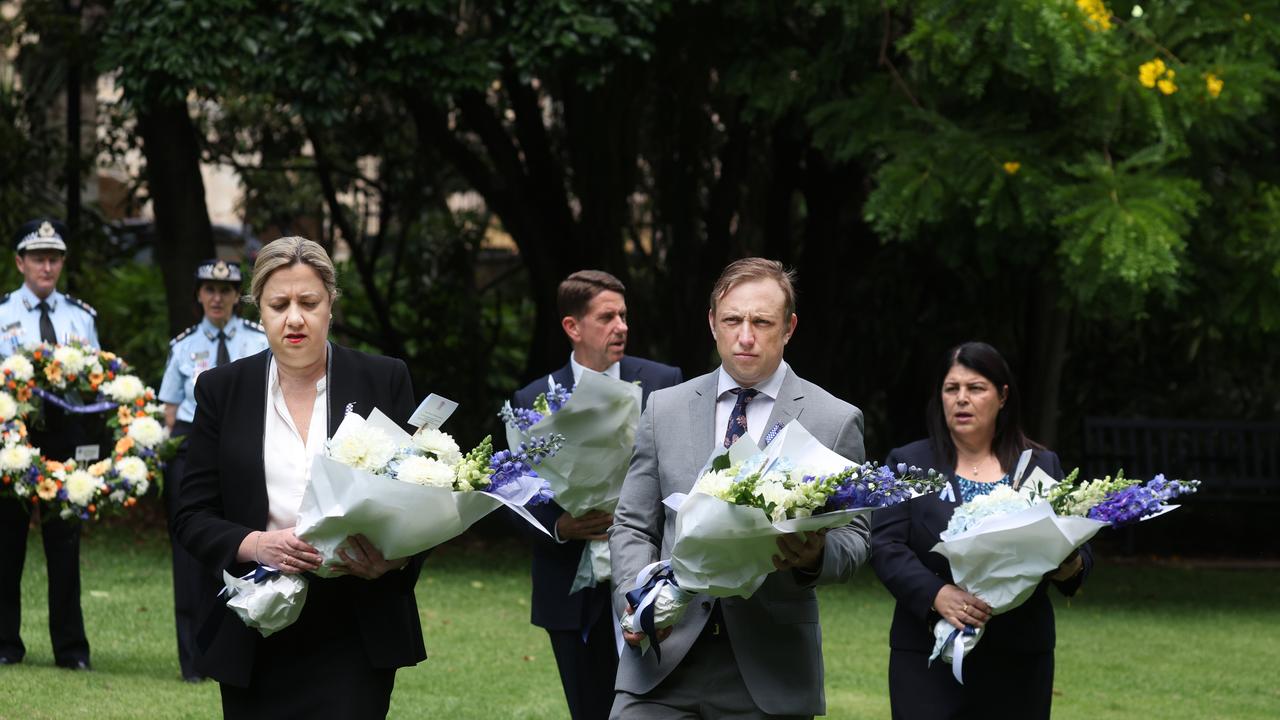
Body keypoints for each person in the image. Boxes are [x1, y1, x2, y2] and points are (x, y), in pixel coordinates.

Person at [171, 237, 426, 717]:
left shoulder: (383, 380)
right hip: (256, 618)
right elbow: (191, 515)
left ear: (331, 304)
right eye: (279, 304)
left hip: (356, 623)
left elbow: (422, 491)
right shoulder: (222, 390)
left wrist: (392, 562)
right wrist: (255, 544)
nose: (294, 318)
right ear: (258, 310)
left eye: (309, 303)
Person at [609, 258, 868, 719]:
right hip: (660, 661)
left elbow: (856, 540)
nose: (745, 335)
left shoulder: (834, 419)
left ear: (788, 327)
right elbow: (632, 522)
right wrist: (638, 601)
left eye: (761, 322)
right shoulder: (664, 409)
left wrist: (812, 559)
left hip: (771, 671)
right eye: (732, 320)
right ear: (713, 323)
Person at [870, 341, 1092, 719]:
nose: (962, 399)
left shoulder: (1040, 464)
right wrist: (937, 594)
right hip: (927, 653)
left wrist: (1066, 559)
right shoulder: (908, 463)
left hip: (1019, 655)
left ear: (1003, 396)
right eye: (951, 389)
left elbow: (1075, 558)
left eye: (975, 389)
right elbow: (885, 546)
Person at [512, 270, 682, 720]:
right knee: (588, 707)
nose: (621, 326)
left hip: (653, 575)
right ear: (573, 327)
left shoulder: (666, 384)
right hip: (570, 586)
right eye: (607, 317)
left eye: (623, 315)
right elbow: (509, 493)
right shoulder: (533, 400)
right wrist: (559, 525)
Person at [158, 259, 268, 682]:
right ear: (199, 295)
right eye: (209, 289)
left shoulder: (259, 339)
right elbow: (169, 409)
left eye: (225, 289)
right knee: (189, 555)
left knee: (243, 545)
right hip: (192, 448)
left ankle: (245, 645)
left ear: (237, 295)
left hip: (245, 449)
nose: (217, 297)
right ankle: (192, 661)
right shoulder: (183, 346)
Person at [0, 218, 98, 671]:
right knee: (6, 543)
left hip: (66, 434)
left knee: (65, 544)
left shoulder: (80, 316)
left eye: (54, 258)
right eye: (38, 257)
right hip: (13, 437)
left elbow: (97, 381)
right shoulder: (2, 314)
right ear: (20, 262)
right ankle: (5, 644)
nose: (46, 266)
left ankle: (71, 650)